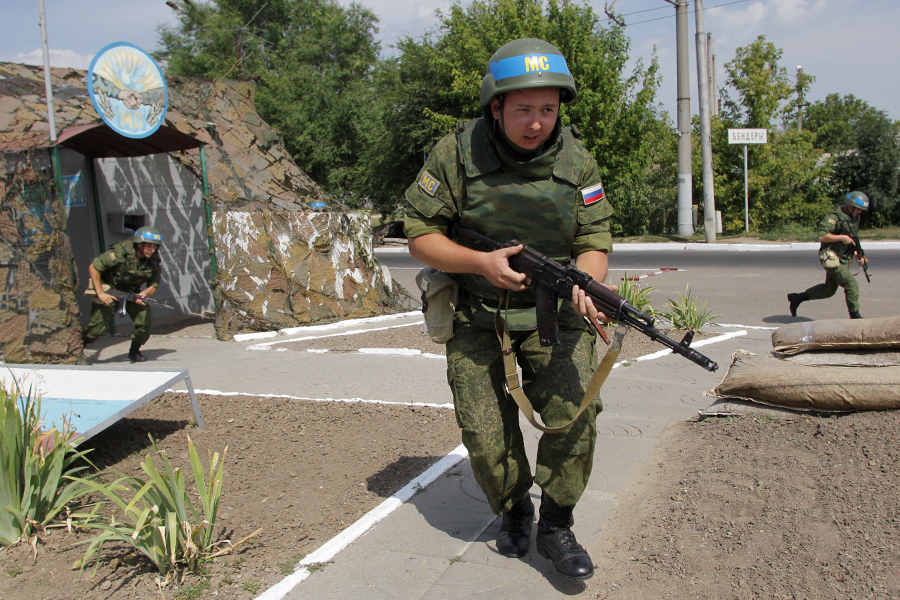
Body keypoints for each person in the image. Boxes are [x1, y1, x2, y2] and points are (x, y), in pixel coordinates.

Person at [403, 38, 613, 580]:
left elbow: (595, 236)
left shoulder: (576, 158)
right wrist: (479, 263)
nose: (537, 122)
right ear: (495, 106)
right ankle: (515, 507)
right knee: (483, 431)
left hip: (556, 310)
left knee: (576, 412)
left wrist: (588, 282)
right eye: (523, 108)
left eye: (548, 108)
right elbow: (420, 235)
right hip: (477, 312)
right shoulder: (455, 152)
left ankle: (557, 523)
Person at [82, 226, 163, 362]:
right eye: (149, 246)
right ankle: (77, 349)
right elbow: (94, 267)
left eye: (155, 247)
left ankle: (134, 352)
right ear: (139, 244)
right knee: (95, 329)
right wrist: (100, 292)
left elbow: (154, 283)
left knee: (145, 321)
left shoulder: (153, 258)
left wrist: (144, 294)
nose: (152, 250)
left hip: (131, 292)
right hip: (110, 291)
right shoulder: (120, 252)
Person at [788, 191, 870, 319]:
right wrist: (842, 237)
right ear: (850, 205)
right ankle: (855, 316)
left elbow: (853, 238)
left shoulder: (854, 219)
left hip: (841, 257)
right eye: (858, 209)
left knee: (829, 290)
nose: (860, 212)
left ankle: (797, 298)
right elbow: (822, 235)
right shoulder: (834, 217)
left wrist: (859, 255)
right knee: (851, 284)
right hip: (830, 256)